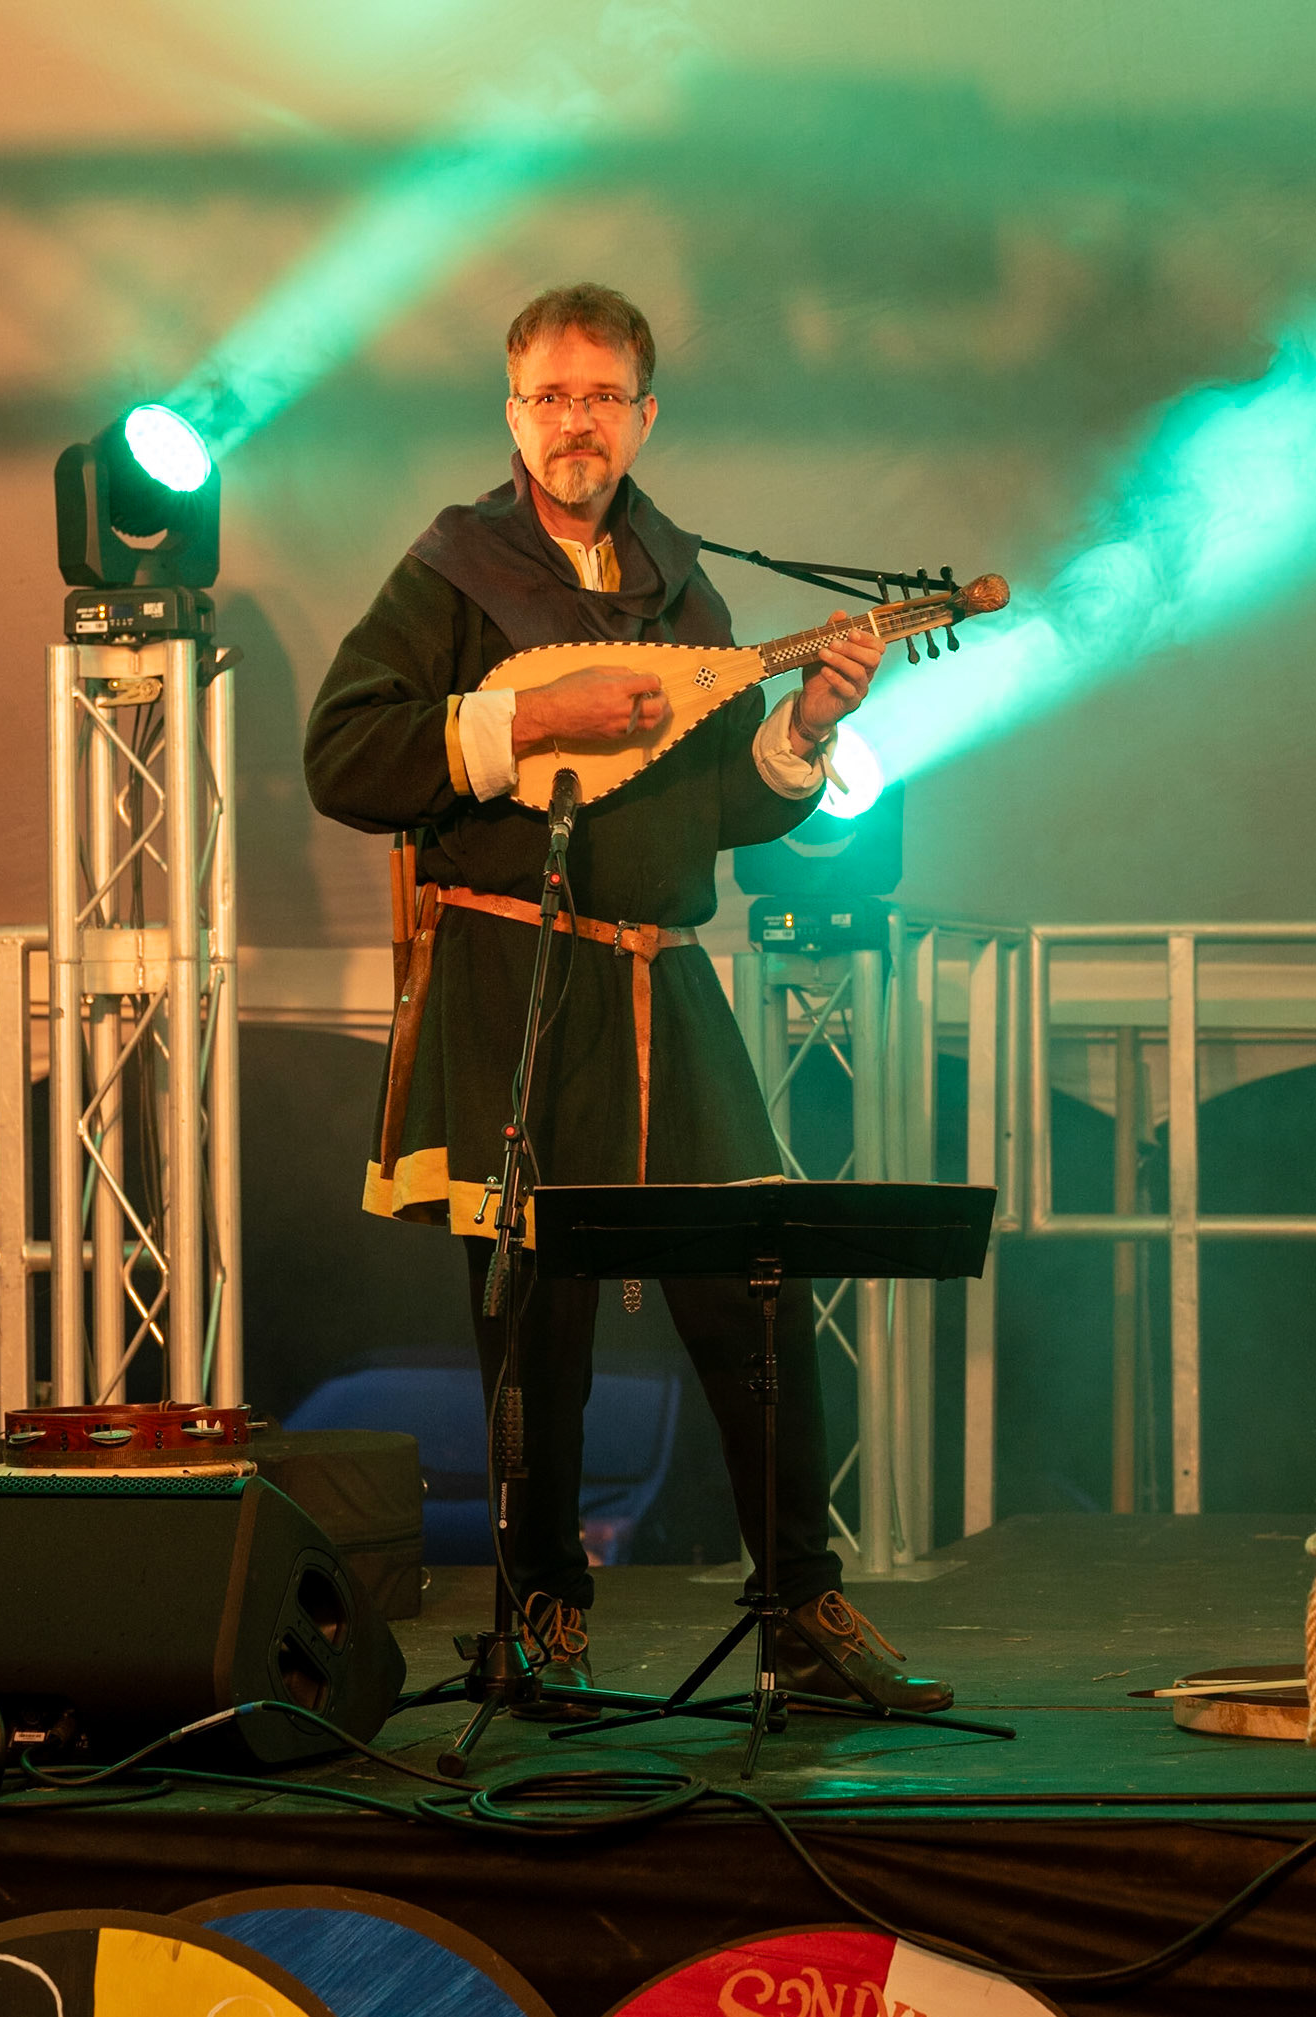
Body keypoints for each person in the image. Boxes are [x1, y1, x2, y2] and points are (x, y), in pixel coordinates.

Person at [304, 282, 952, 1718]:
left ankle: (801, 1606)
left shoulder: (682, 589)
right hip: (517, 980)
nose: (575, 422)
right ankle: (543, 1617)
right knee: (537, 1320)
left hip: (663, 980)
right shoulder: (455, 572)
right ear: (513, 413)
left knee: (756, 1285)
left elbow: (724, 806)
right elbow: (343, 756)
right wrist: (535, 716)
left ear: (644, 417)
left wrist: (804, 727)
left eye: (602, 396)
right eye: (550, 396)